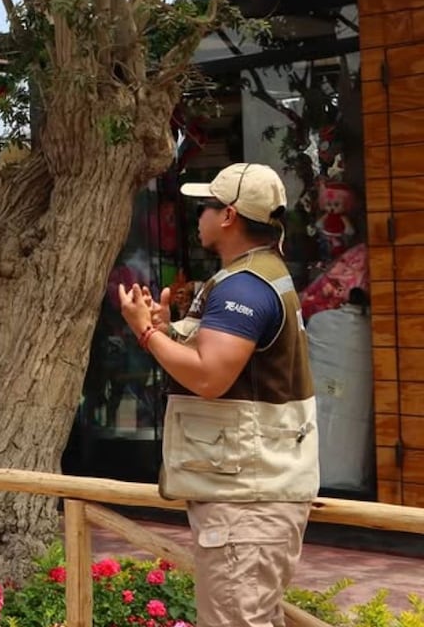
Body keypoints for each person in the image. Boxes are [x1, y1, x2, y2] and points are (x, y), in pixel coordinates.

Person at [117, 163, 319, 627]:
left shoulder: (243, 287)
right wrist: (169, 330)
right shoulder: (262, 275)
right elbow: (225, 354)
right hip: (258, 493)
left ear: (228, 215)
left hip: (248, 501)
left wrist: (146, 332)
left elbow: (211, 376)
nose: (198, 216)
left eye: (204, 206)